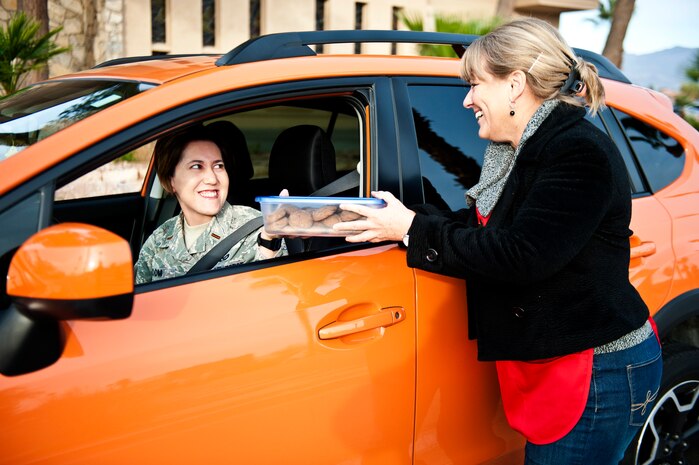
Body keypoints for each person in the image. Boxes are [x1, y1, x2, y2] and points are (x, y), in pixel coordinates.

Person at [334, 18, 662, 465]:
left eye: (474, 85)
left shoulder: (577, 151)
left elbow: (521, 254)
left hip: (595, 370)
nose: (467, 100)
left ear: (514, 85)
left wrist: (410, 228)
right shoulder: (515, 150)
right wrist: (385, 217)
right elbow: (479, 225)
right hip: (557, 364)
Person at [135, 125, 286, 284]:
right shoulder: (160, 239)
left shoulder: (258, 228)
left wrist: (270, 243)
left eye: (218, 166)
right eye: (196, 166)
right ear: (171, 180)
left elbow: (274, 293)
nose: (212, 179)